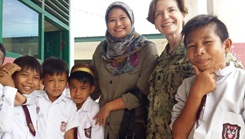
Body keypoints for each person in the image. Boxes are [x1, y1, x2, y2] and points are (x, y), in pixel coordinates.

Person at [146, 0, 243, 139]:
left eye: (171, 10)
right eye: (158, 14)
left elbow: (230, 73)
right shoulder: (161, 58)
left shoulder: (204, 52)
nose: (165, 16)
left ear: (183, 13)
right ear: (154, 22)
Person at [91, 1, 158, 138]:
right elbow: (93, 86)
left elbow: (142, 92)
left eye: (122, 18)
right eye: (112, 20)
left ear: (131, 19)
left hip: (130, 129)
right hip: (101, 127)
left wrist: (108, 107)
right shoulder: (101, 50)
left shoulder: (146, 49)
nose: (118, 24)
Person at [171, 14, 245, 139]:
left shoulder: (241, 83)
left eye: (207, 42)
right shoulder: (187, 86)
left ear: (226, 45)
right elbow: (179, 135)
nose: (199, 50)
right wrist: (196, 93)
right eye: (192, 46)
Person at [30, 56, 79, 139]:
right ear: (42, 81)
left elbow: (69, 134)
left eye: (61, 80)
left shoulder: (70, 105)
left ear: (67, 82)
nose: (56, 85)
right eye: (51, 80)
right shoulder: (34, 98)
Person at [0, 55, 43, 139]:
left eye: (35, 78)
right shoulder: (4, 95)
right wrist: (9, 88)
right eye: (24, 75)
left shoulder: (34, 98)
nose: (29, 81)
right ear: (13, 76)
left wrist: (23, 99)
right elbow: (4, 126)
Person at [69, 63, 104, 139]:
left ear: (92, 89)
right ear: (68, 86)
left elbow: (98, 136)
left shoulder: (95, 110)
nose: (77, 93)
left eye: (83, 88)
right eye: (73, 87)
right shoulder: (65, 105)